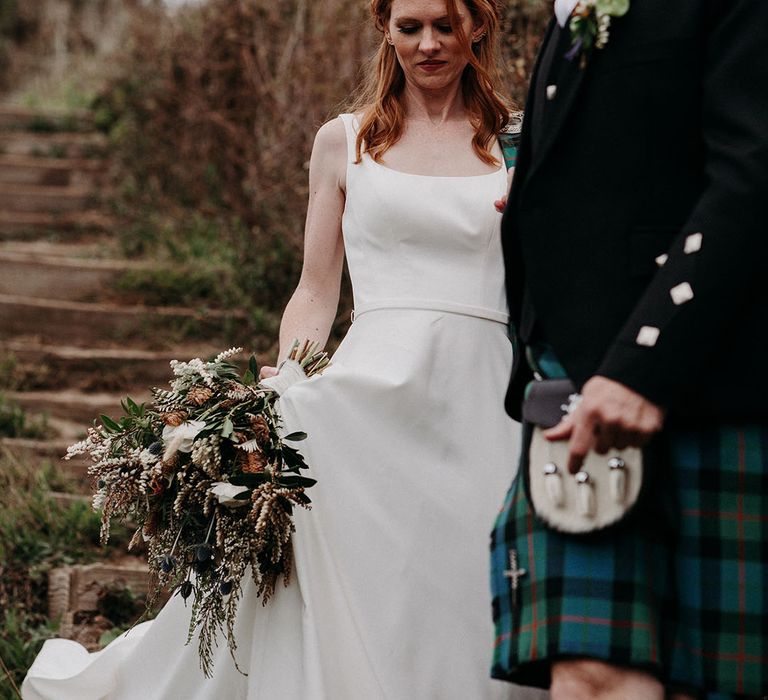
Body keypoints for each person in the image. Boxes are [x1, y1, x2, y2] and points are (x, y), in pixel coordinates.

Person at [22, 1, 547, 698]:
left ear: (477, 26)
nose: (428, 45)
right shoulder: (345, 141)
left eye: (445, 27)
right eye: (409, 27)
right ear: (384, 29)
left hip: (485, 392)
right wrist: (290, 374)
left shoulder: (520, 142)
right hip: (370, 389)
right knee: (360, 564)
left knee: (466, 572)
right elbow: (315, 287)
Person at [491, 0, 768, 698]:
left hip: (706, 379)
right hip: (573, 386)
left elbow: (752, 174)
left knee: (712, 683)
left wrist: (645, 364)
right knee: (588, 672)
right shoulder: (567, 13)